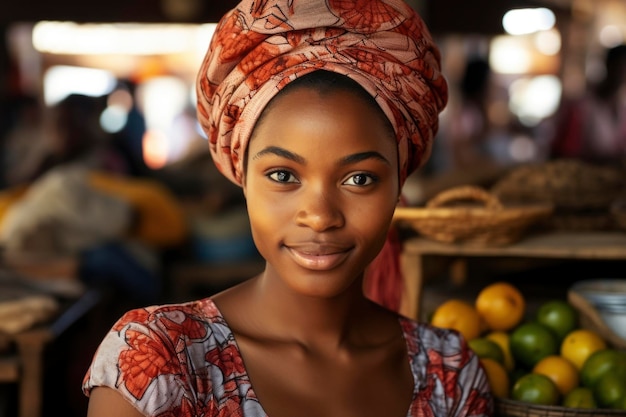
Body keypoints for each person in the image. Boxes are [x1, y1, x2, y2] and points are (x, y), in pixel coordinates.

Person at [82, 1, 493, 416]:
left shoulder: (451, 376)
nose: (319, 216)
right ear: (240, 175)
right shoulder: (158, 362)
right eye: (282, 176)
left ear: (399, 185)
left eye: (360, 179)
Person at [548, 44, 626, 166]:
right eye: (621, 67)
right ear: (609, 66)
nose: (622, 74)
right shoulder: (581, 107)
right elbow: (563, 154)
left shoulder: (621, 109)